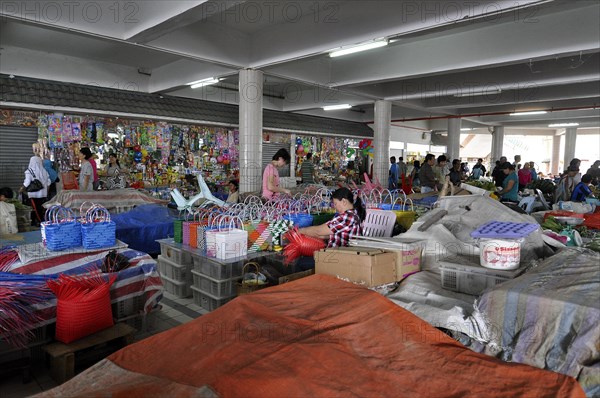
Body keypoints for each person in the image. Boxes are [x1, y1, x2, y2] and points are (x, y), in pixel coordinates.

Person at [298, 187, 365, 248]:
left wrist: (298, 231)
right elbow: (326, 234)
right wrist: (309, 234)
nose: (334, 207)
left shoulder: (346, 217)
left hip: (339, 256)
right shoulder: (353, 214)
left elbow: (318, 231)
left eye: (335, 204)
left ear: (344, 201)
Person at [19, 142, 50, 226]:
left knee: (34, 208)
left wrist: (22, 188)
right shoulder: (44, 171)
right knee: (40, 207)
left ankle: (40, 221)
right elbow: (49, 182)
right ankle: (36, 221)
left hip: (33, 193)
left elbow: (27, 182)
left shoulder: (29, 171)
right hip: (43, 194)